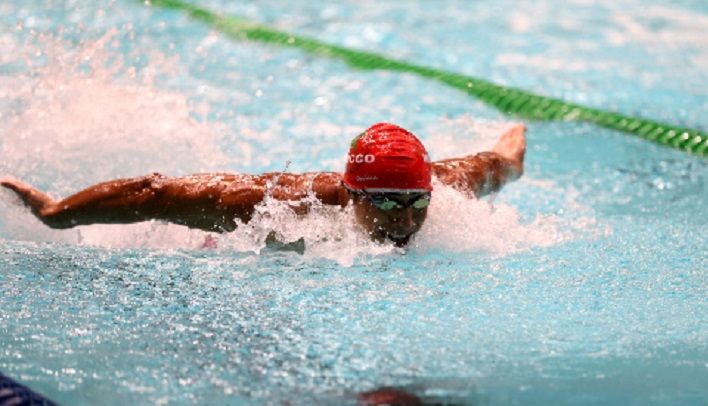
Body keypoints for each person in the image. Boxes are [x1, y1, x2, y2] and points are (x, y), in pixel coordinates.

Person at [0, 122, 526, 247]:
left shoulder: (445, 186)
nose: (405, 220)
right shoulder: (281, 206)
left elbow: (497, 163)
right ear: (352, 193)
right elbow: (155, 193)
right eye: (387, 203)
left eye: (415, 202)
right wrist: (55, 213)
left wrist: (513, 142)